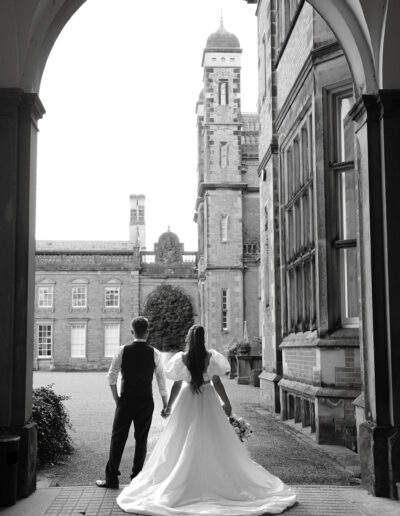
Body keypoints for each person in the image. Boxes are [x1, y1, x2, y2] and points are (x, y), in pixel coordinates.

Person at [117, 324, 296, 515]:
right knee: (214, 436)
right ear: (203, 339)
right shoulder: (211, 357)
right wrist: (226, 403)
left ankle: (185, 479)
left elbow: (177, 384)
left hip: (188, 400)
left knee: (181, 437)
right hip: (208, 398)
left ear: (189, 339)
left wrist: (169, 406)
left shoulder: (182, 358)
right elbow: (217, 382)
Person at [96, 316, 168, 489]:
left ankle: (112, 479)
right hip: (145, 401)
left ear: (131, 331)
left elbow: (111, 377)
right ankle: (136, 479)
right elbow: (161, 382)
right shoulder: (155, 353)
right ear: (148, 331)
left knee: (117, 438)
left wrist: (117, 400)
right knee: (141, 439)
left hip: (126, 400)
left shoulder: (122, 350)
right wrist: (166, 404)